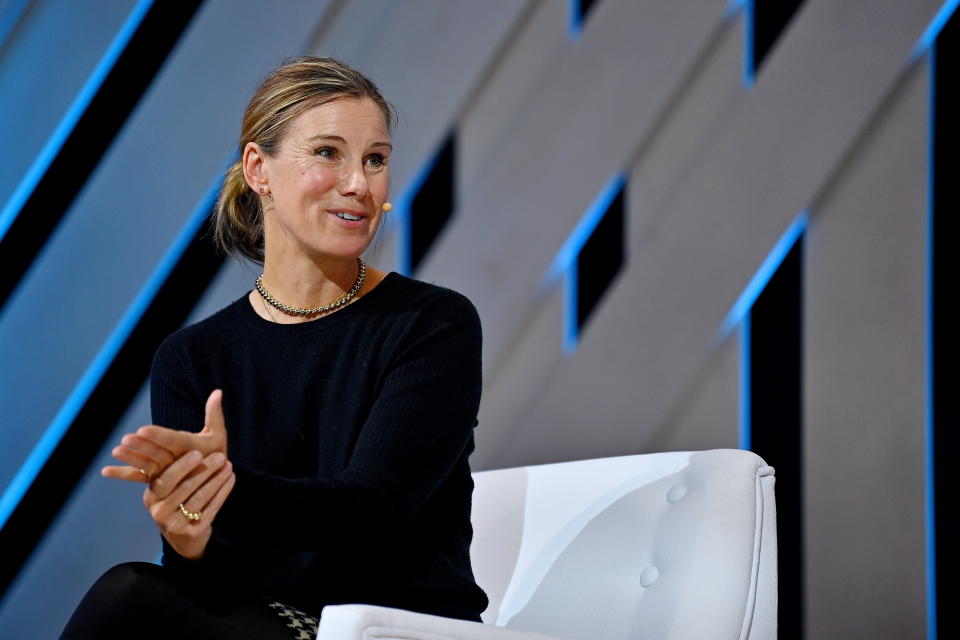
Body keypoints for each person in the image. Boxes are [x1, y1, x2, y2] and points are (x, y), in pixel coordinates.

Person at [59, 56, 488, 640]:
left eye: (375, 160)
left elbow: (372, 510)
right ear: (258, 169)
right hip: (264, 622)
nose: (359, 184)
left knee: (127, 597)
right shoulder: (191, 358)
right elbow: (209, 582)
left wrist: (225, 486)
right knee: (141, 593)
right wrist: (189, 537)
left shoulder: (432, 324)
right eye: (328, 153)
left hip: (395, 627)